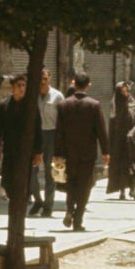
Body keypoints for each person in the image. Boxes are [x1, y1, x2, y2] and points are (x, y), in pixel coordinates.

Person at [55, 72, 110, 232]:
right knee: (85, 186)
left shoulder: (63, 105)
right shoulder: (94, 105)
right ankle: (77, 219)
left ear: (74, 84)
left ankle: (69, 209)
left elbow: (59, 131)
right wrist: (106, 151)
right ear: (88, 85)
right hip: (87, 153)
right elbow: (101, 130)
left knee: (70, 183)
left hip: (68, 152)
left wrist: (57, 153)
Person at [0, 74, 43, 207]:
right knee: (7, 181)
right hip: (10, 149)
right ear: (12, 88)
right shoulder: (4, 106)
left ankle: (21, 204)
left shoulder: (31, 106)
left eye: (23, 85)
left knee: (24, 180)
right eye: (18, 86)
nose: (21, 88)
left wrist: (38, 152)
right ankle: (14, 200)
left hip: (27, 150)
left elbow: (37, 129)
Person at [31, 69, 64, 217]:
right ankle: (38, 200)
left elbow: (63, 120)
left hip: (53, 134)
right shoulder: (32, 96)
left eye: (45, 79)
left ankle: (48, 206)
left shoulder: (57, 96)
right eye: (40, 79)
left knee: (53, 172)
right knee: (32, 171)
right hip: (35, 136)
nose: (42, 82)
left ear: (49, 79)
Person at [107, 81, 135, 200]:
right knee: (121, 166)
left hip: (131, 140)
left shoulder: (132, 102)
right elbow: (112, 125)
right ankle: (122, 191)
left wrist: (132, 133)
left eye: (126, 90)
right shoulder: (115, 105)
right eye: (122, 91)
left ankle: (132, 190)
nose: (125, 92)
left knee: (133, 164)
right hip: (119, 140)